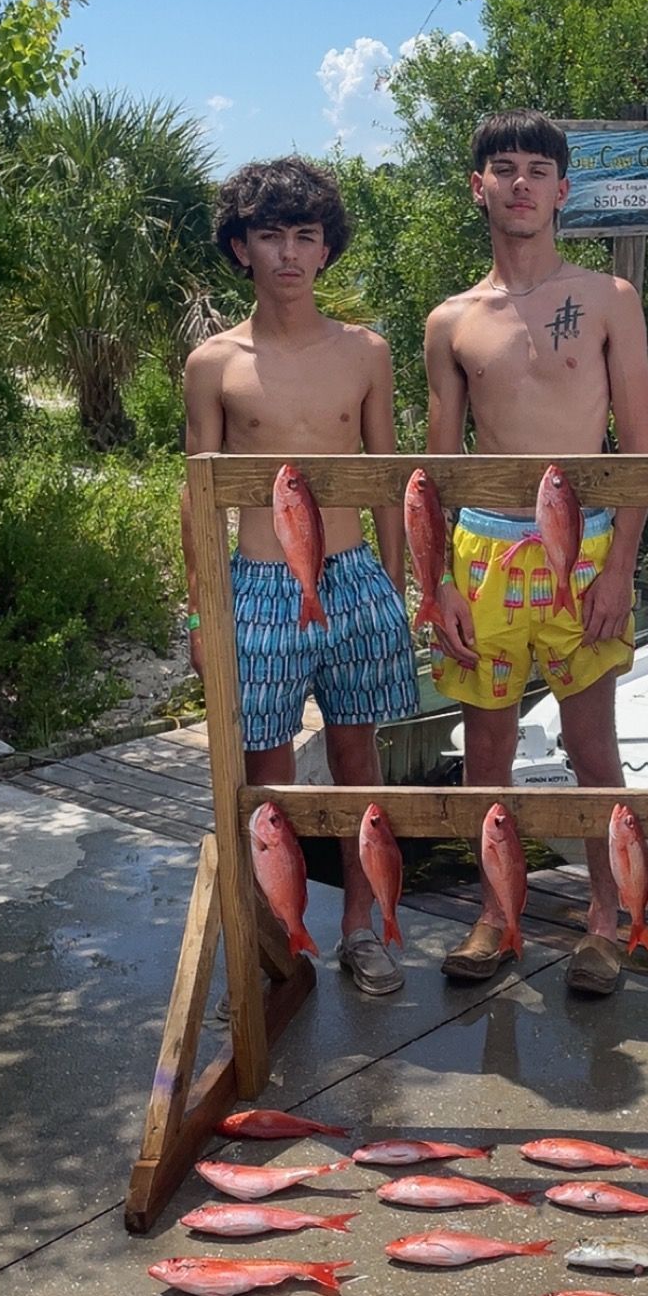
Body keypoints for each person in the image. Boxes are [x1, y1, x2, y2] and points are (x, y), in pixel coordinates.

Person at [425, 110, 648, 996]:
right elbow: (441, 465)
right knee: (487, 755)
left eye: (537, 170)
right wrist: (439, 577)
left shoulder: (607, 300)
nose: (520, 183)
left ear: (563, 191)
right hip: (483, 555)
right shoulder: (452, 320)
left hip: (581, 547)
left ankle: (605, 917)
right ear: (477, 187)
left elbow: (638, 447)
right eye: (503, 168)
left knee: (592, 747)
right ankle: (498, 917)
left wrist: (620, 567)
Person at [181, 155, 417, 997]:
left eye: (304, 235)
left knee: (360, 759)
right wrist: (205, 615)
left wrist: (397, 586)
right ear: (240, 248)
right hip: (257, 584)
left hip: (354, 580)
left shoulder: (367, 352)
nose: (288, 252)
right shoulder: (214, 362)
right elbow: (197, 495)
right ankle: (281, 935)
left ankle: (363, 926)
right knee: (266, 770)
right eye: (270, 235)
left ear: (326, 250)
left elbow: (390, 478)